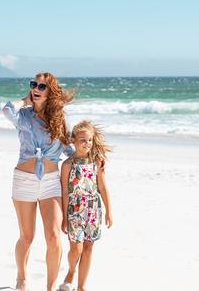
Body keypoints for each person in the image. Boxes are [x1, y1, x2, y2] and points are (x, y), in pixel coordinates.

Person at [2, 72, 75, 291]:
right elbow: (6, 109)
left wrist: (91, 160)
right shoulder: (23, 115)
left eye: (42, 86)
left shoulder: (60, 118)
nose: (36, 88)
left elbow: (69, 149)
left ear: (51, 91)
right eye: (34, 85)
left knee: (53, 237)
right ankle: (21, 278)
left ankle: (50, 287)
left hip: (51, 182)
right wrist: (25, 100)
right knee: (27, 236)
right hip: (24, 180)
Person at [57, 121, 113, 291]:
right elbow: (65, 192)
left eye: (89, 140)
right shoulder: (67, 165)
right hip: (74, 210)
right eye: (82, 140)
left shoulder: (97, 162)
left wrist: (109, 211)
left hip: (93, 209)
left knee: (89, 247)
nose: (86, 144)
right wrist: (65, 218)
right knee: (77, 249)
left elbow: (102, 187)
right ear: (73, 140)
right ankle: (72, 270)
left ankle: (81, 287)